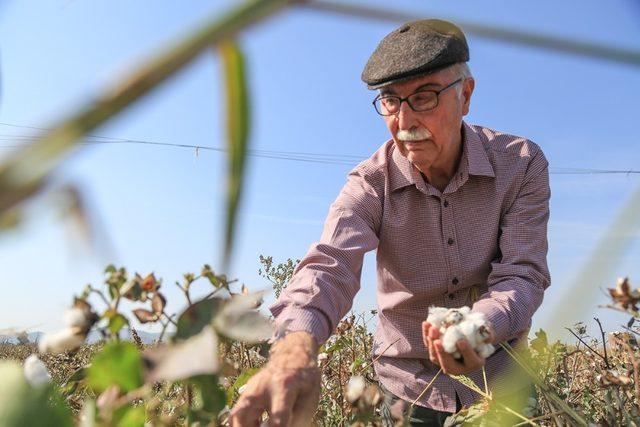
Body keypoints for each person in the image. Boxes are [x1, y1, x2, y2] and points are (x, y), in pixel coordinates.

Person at [230, 18, 550, 426]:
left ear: (466, 96)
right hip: (409, 389)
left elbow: (523, 274)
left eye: (425, 97)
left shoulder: (521, 165)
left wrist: (482, 328)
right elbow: (330, 266)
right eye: (391, 101)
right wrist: (294, 349)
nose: (404, 121)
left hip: (501, 379)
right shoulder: (370, 183)